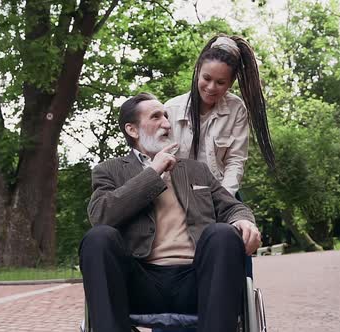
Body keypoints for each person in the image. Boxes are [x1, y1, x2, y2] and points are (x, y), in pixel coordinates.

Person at [79, 92, 261, 332]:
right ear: (132, 130)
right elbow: (101, 215)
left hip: (197, 279)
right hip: (139, 282)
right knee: (97, 238)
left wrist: (243, 221)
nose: (167, 123)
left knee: (223, 234)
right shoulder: (109, 170)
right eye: (156, 117)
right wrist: (152, 174)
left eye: (166, 116)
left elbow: (232, 206)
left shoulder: (196, 171)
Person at [165, 34, 275, 198]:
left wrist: (223, 198)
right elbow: (158, 159)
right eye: (206, 78)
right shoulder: (171, 109)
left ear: (230, 84)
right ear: (197, 72)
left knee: (237, 223)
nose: (211, 87)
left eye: (220, 82)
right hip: (175, 195)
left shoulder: (236, 109)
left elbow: (235, 161)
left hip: (219, 192)